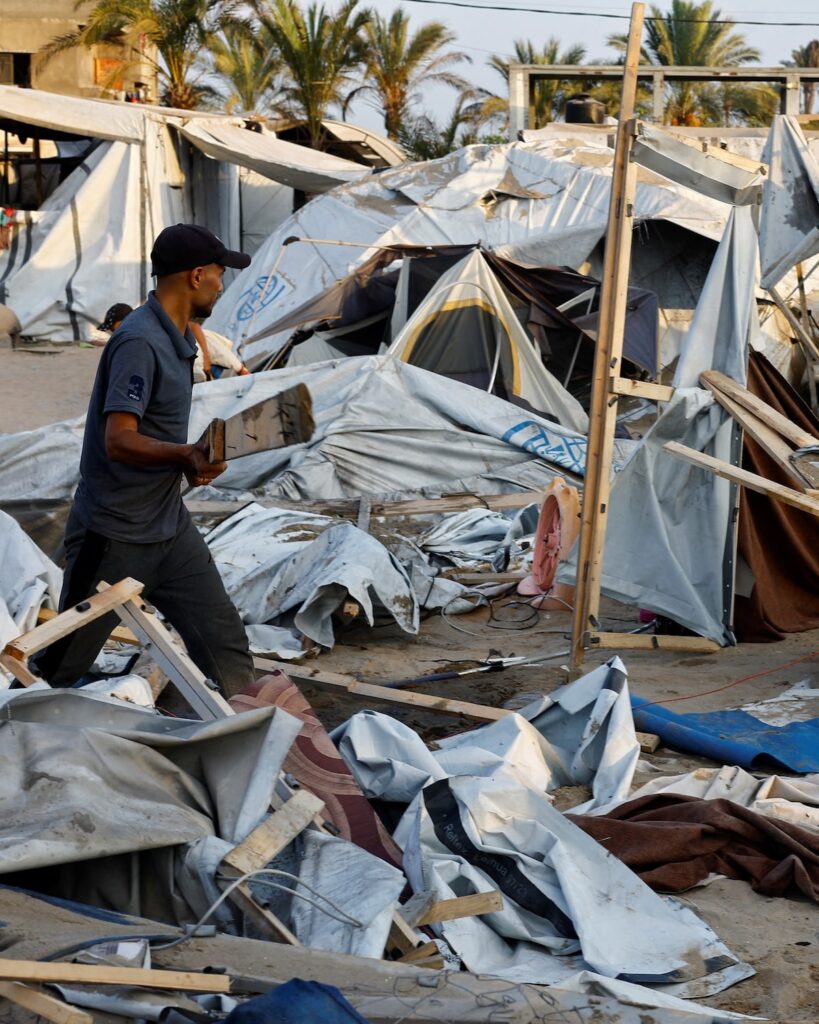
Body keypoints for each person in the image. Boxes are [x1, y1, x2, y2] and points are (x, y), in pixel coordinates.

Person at [34, 224, 256, 699]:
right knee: (58, 668)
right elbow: (119, 439)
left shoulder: (181, 340)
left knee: (226, 645)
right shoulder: (139, 341)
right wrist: (183, 453)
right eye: (220, 274)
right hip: (114, 536)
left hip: (168, 529)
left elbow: (156, 439)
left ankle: (255, 745)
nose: (222, 284)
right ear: (197, 276)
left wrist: (193, 462)